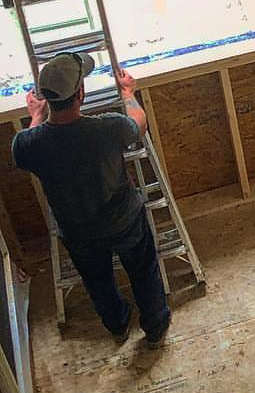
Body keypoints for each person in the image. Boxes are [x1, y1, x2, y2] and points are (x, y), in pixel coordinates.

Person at [11, 52, 171, 346]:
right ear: (81, 93)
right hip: (124, 222)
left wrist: (35, 115)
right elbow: (138, 124)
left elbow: (27, 147)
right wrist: (128, 94)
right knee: (143, 271)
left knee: (98, 283)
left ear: (46, 98)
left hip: (78, 232)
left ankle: (118, 325)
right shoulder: (107, 128)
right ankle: (156, 326)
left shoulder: (29, 143)